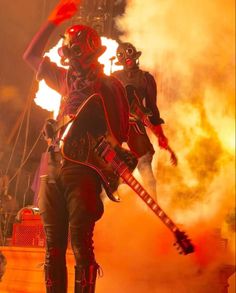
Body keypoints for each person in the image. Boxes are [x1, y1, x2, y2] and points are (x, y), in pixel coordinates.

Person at [23, 1, 131, 292]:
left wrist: (111, 153)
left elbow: (118, 134)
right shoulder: (63, 78)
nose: (70, 58)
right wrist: (51, 21)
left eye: (75, 50)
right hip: (54, 168)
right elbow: (30, 55)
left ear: (90, 51)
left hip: (83, 170)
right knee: (53, 250)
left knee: (82, 249)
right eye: (67, 51)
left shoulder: (108, 86)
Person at [112, 42, 177, 200]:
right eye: (122, 55)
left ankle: (153, 206)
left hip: (136, 127)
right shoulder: (113, 77)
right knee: (108, 163)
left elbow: (153, 110)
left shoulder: (146, 78)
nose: (126, 58)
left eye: (128, 53)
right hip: (116, 125)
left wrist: (161, 135)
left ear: (135, 55)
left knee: (145, 165)